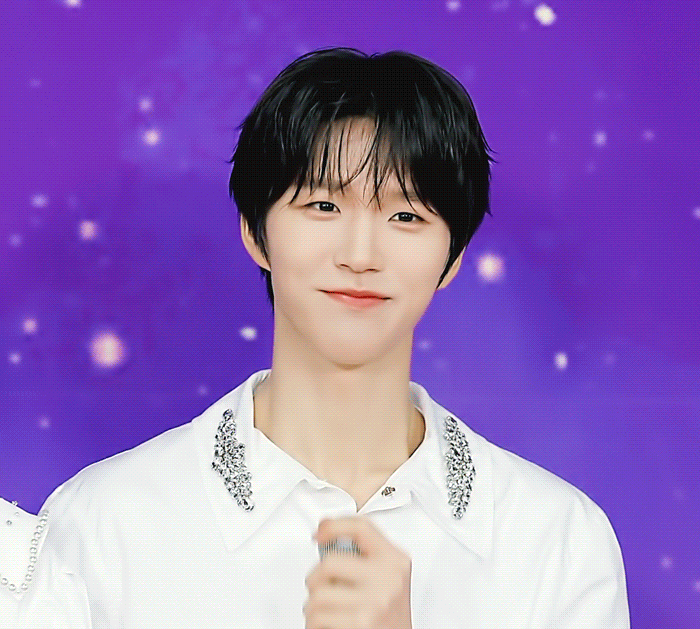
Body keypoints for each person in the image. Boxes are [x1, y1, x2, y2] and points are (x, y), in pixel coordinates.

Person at [0, 47, 630, 628]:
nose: (360, 254)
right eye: (324, 207)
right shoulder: (105, 524)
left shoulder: (557, 541)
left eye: (406, 215)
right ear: (255, 233)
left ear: (454, 257)